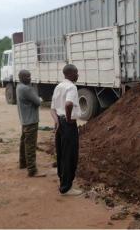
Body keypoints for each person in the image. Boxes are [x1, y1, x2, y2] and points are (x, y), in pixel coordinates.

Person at [50, 64, 82, 196]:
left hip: (60, 124)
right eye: (76, 73)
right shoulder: (71, 87)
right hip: (69, 125)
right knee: (70, 155)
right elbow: (68, 104)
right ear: (71, 74)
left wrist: (57, 121)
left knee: (62, 153)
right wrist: (68, 119)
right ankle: (66, 188)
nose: (77, 75)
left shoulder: (59, 86)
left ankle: (63, 180)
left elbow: (52, 108)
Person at [16, 70, 44, 177]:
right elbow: (38, 102)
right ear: (21, 77)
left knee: (24, 142)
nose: (29, 78)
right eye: (27, 77)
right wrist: (39, 99)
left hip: (24, 120)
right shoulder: (27, 89)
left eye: (29, 76)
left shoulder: (19, 87)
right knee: (30, 145)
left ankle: (23, 163)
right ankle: (32, 170)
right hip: (31, 121)